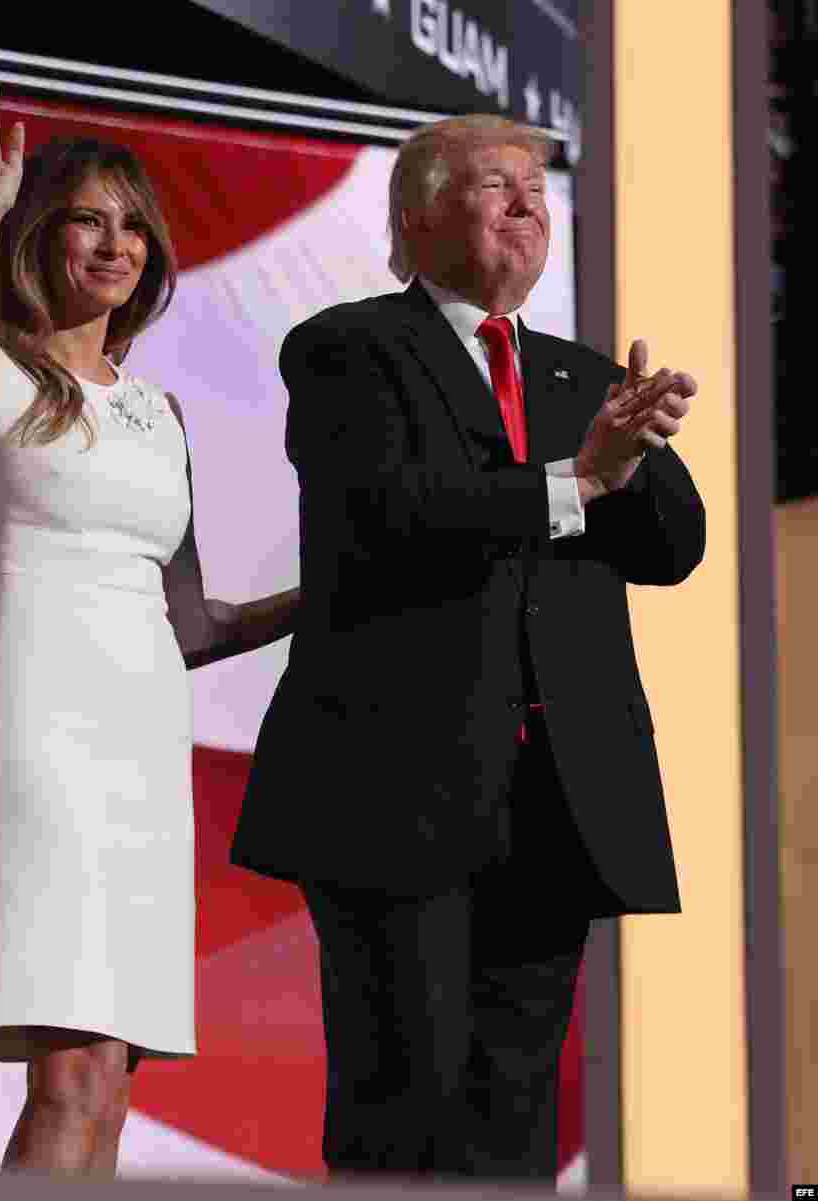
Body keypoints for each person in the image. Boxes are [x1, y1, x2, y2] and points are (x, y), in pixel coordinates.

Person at [231, 114, 704, 1181]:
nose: (525, 202)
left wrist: (624, 466)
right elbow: (396, 514)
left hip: (556, 798)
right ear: (416, 215)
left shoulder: (586, 380)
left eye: (534, 185)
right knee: (406, 1107)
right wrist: (577, 480)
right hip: (395, 792)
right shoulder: (348, 349)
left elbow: (674, 548)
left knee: (515, 1122)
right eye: (494, 183)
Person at [0, 73, 298, 1178]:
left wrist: (338, 586)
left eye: (134, 223)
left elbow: (193, 623)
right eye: (88, 216)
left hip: (140, 737)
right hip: (40, 715)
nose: (116, 242)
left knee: (112, 1081)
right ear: (42, 235)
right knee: (69, 1072)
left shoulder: (155, 411)